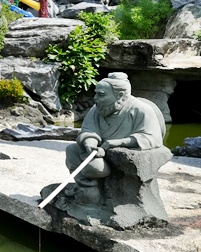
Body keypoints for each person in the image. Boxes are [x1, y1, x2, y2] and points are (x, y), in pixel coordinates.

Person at [63, 72, 166, 205]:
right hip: (99, 153)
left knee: (95, 168)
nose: (95, 98)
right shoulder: (97, 109)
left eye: (101, 94)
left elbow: (153, 138)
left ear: (120, 95)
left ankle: (110, 197)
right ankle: (85, 186)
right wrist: (90, 143)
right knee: (72, 150)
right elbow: (89, 129)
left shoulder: (141, 110)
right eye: (96, 93)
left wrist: (120, 142)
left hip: (117, 156)